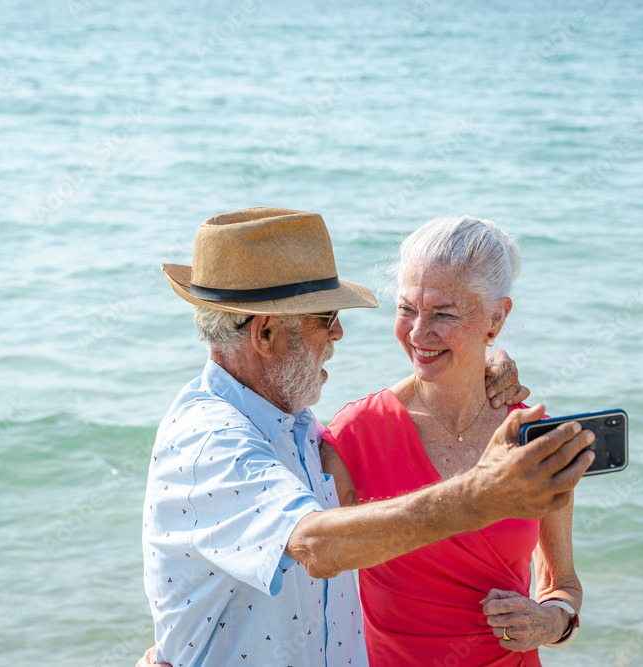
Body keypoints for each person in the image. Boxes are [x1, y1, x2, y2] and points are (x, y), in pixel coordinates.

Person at [141, 207, 595, 667]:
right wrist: (481, 496)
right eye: (326, 316)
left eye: (444, 312)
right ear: (266, 332)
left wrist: (480, 361)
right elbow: (319, 545)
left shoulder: (294, 426)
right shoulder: (212, 442)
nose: (339, 332)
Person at [320, 214, 581, 666]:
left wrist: (551, 621)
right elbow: (307, 584)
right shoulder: (354, 436)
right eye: (406, 309)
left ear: (496, 318)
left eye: (444, 313)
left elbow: (563, 584)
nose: (419, 333)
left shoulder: (533, 437)